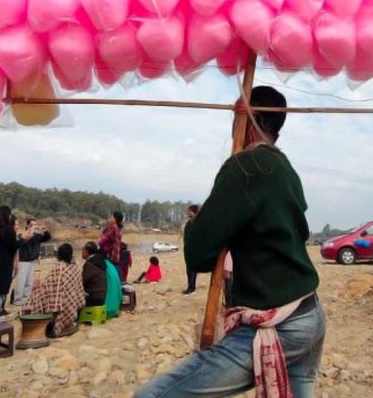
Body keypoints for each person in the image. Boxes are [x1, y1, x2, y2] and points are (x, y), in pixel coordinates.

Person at [134, 86, 325, 398]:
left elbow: (198, 255)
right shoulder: (286, 168)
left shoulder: (245, 167)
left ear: (248, 118)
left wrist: (197, 219)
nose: (232, 124)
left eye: (236, 115)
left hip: (281, 322)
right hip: (310, 311)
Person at [23, 243, 84, 337]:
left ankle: (35, 318)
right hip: (71, 307)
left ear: (58, 255)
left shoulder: (59, 269)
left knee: (36, 297)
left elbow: (48, 287)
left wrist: (35, 292)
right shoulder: (75, 268)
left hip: (62, 305)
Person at [12, 216, 52, 306]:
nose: (34, 226)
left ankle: (26, 299)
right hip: (23, 261)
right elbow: (22, 242)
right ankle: (17, 300)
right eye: (32, 225)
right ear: (28, 225)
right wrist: (31, 232)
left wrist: (45, 230)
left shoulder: (37, 236)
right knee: (21, 282)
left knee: (29, 283)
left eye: (35, 224)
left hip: (33, 261)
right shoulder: (22, 234)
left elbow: (47, 237)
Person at [81, 241, 108, 307]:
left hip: (94, 298)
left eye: (83, 250)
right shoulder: (99, 261)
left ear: (87, 251)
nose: (81, 252)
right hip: (102, 297)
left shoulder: (90, 264)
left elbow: (82, 281)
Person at [182, 205, 199, 295]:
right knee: (188, 270)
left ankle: (192, 288)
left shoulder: (198, 222)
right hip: (187, 250)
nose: (187, 213)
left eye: (189, 211)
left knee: (193, 270)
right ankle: (190, 286)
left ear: (193, 211)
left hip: (194, 250)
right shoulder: (189, 222)